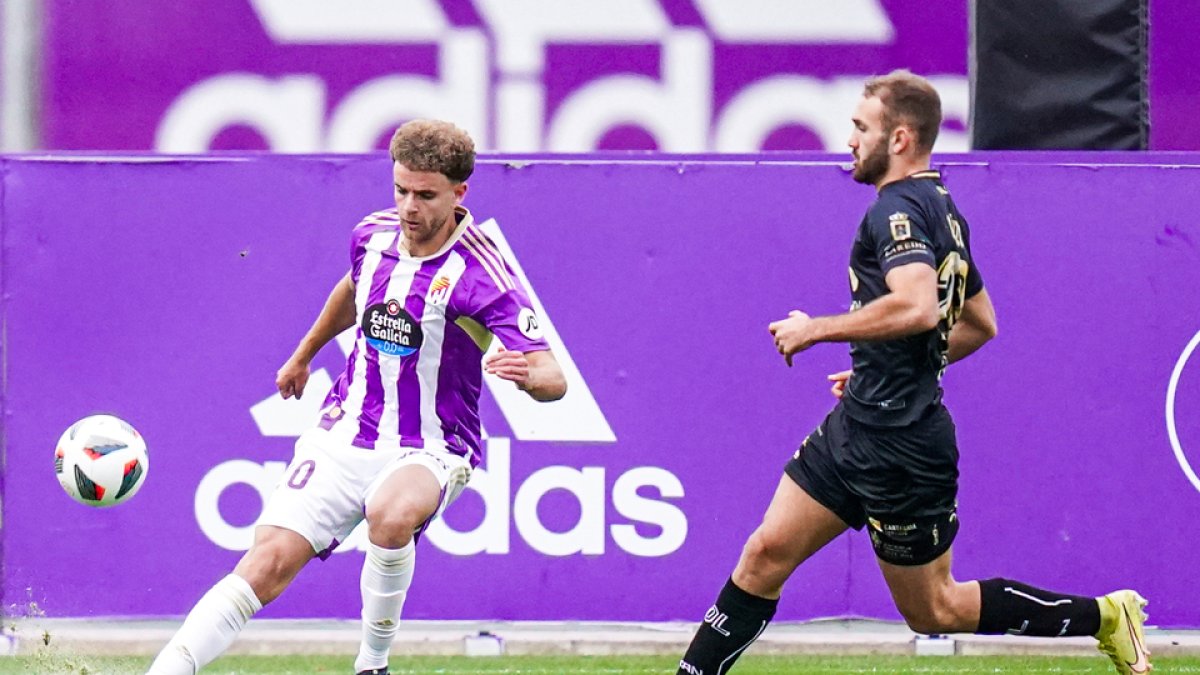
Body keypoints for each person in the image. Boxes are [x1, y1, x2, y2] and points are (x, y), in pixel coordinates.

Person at [675, 70, 1150, 675]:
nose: (848, 139)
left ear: (899, 139)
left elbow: (920, 305)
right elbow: (978, 322)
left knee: (936, 611)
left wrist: (816, 329)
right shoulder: (941, 206)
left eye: (859, 127)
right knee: (764, 555)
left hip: (903, 445)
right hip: (858, 424)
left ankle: (1107, 616)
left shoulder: (896, 209)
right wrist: (887, 365)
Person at [147, 119, 567, 675]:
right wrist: (304, 353)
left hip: (433, 445)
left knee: (390, 515)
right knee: (264, 565)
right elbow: (354, 286)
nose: (408, 206)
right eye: (400, 189)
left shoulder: (484, 273)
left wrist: (531, 378)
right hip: (346, 428)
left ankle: (372, 664)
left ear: (459, 193)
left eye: (425, 195)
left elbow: (553, 376)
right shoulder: (371, 235)